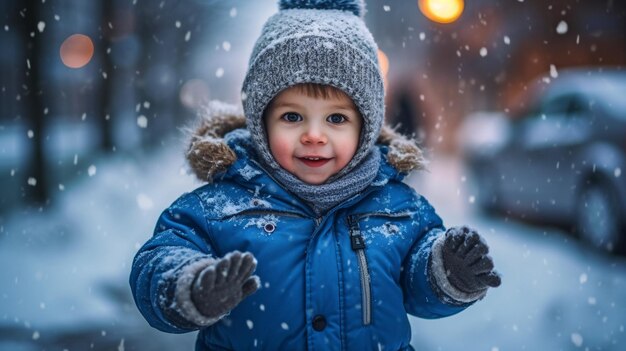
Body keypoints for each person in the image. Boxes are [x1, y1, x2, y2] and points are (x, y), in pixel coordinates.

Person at [129, 1, 501, 350]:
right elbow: (160, 257)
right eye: (292, 117)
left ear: (365, 129)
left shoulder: (399, 209)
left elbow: (418, 283)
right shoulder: (220, 207)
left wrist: (447, 272)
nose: (314, 135)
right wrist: (191, 286)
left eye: (336, 118)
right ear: (261, 123)